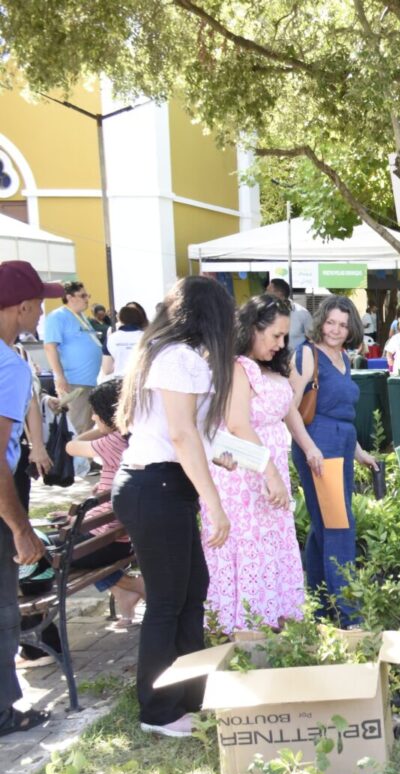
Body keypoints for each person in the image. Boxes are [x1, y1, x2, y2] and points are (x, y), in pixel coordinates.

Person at [114, 276, 237, 737]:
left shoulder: (175, 356)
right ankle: (159, 711)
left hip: (166, 486)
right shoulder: (178, 358)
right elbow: (182, 437)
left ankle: (191, 695)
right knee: (168, 602)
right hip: (155, 486)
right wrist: (216, 505)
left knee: (191, 594)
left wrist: (217, 455)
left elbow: (188, 434)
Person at [202, 295, 312, 632]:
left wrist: (308, 449)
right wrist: (271, 472)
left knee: (273, 547)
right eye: (275, 336)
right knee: (250, 549)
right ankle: (246, 625)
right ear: (252, 329)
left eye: (284, 337)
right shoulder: (237, 367)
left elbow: (288, 410)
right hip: (245, 480)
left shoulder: (272, 365)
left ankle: (272, 617)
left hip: (268, 475)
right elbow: (238, 424)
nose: (281, 344)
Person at [289, 297, 380, 624]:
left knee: (324, 525)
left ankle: (319, 607)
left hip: (340, 443)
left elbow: (343, 413)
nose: (336, 330)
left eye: (343, 324)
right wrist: (310, 447)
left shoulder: (342, 356)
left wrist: (359, 453)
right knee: (339, 525)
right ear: (320, 322)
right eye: (331, 323)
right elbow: (290, 410)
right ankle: (350, 615)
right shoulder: (306, 354)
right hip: (318, 445)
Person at [0, 262, 56, 735]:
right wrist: (20, 527)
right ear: (21, 307)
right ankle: (2, 712)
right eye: (39, 303)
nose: (42, 311)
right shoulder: (8, 363)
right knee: (3, 607)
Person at [61, 379, 145, 628]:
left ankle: (133, 587)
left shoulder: (113, 442)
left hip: (104, 542)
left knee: (36, 556)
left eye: (96, 413)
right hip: (118, 538)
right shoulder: (137, 440)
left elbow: (71, 446)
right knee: (63, 538)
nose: (93, 417)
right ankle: (124, 593)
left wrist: (103, 426)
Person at [42, 280, 105, 436]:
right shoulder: (58, 317)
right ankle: (75, 460)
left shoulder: (82, 317)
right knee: (78, 429)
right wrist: (59, 376)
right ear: (69, 297)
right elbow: (50, 347)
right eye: (82, 295)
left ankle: (84, 460)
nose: (86, 299)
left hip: (89, 382)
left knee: (87, 428)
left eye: (87, 295)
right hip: (74, 382)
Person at [105, 302, 148, 377]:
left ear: (120, 319)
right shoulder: (147, 337)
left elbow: (107, 369)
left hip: (119, 380)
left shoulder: (111, 338)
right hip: (141, 380)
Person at [265, 278, 311, 347]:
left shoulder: (302, 313)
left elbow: (313, 339)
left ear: (279, 294)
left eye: (268, 291)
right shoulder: (264, 313)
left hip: (297, 356)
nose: (265, 294)